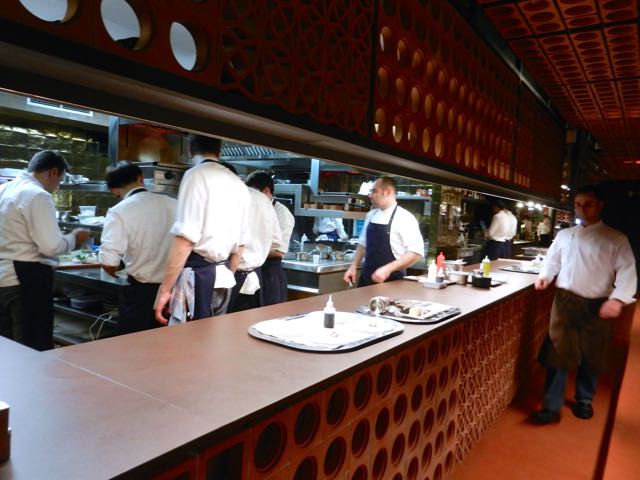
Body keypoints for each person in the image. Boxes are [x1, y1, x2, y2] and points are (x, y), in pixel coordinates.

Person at [531, 185, 637, 424]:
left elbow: (627, 272)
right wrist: (545, 276)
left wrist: (617, 299)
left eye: (588, 203)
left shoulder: (615, 238)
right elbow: (552, 260)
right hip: (565, 301)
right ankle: (551, 406)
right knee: (557, 351)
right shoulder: (565, 235)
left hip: (597, 304)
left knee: (592, 352)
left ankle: (585, 399)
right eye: (578, 203)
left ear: (600, 205)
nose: (582, 208)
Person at [154, 134, 250, 325]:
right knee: (214, 343)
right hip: (224, 276)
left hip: (198, 277)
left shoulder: (196, 174)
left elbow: (186, 239)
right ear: (219, 151)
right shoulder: (239, 183)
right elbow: (240, 245)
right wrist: (228, 275)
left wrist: (164, 290)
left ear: (189, 150)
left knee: (188, 344)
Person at [0, 150, 89, 350]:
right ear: (53, 172)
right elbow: (52, 247)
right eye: (59, 182)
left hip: (3, 277)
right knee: (32, 347)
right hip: (26, 280)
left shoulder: (4, 189)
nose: (56, 188)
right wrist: (75, 237)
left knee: (7, 348)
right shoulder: (38, 195)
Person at [99, 161, 176, 335]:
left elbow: (108, 262)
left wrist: (121, 271)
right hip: (173, 290)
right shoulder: (174, 204)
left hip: (140, 293)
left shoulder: (119, 211)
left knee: (134, 347)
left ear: (114, 191)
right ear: (141, 177)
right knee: (169, 345)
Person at [344, 176, 424, 287]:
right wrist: (353, 266)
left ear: (388, 192)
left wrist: (387, 269)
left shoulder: (404, 217)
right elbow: (363, 244)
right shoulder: (371, 215)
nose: (370, 195)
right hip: (366, 280)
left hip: (392, 283)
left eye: (374, 191)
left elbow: (416, 253)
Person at [227, 170, 283, 313]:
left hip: (231, 275)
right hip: (254, 277)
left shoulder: (230, 196)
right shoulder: (263, 200)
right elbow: (276, 241)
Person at [245, 170, 294, 305]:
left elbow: (279, 251)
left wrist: (249, 253)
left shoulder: (282, 213)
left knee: (270, 317)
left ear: (266, 191)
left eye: (254, 193)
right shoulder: (252, 208)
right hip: (255, 272)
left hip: (270, 273)